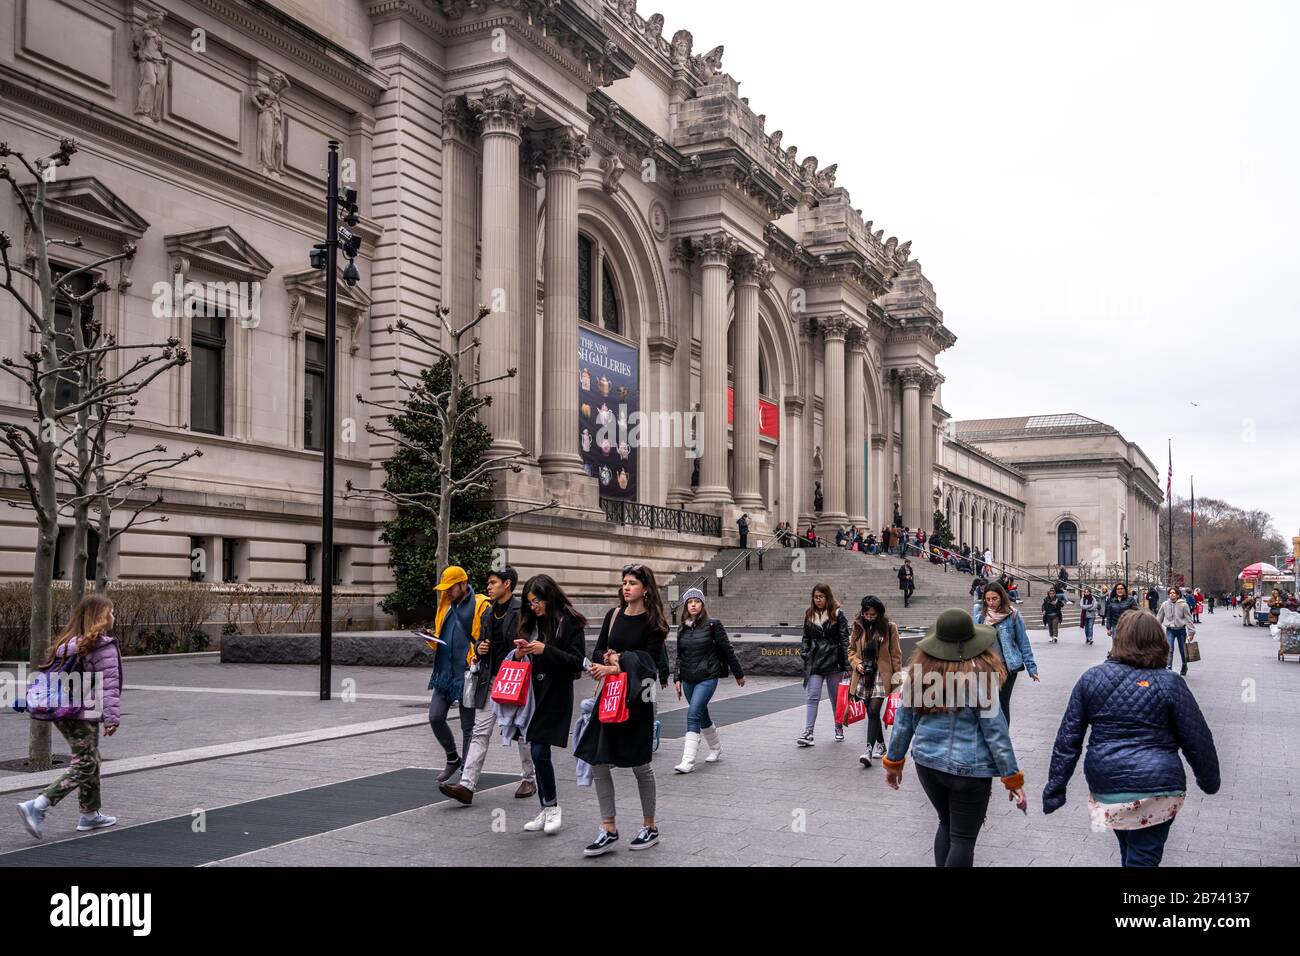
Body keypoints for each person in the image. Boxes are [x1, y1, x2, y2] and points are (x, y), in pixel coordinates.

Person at [1042, 610, 1219, 867]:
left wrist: (1055, 788)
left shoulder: (1091, 679)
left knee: (1132, 850)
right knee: (1142, 855)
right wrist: (1209, 780)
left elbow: (1067, 740)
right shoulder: (1169, 683)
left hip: (1108, 783)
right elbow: (1197, 739)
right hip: (1158, 786)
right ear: (1159, 641)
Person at [883, 608, 1026, 867]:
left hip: (927, 764)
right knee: (963, 838)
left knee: (946, 823)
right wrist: (1012, 778)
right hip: (969, 770)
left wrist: (894, 763)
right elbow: (996, 733)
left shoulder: (919, 675)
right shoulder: (980, 679)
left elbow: (903, 723)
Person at [575, 563, 669, 856]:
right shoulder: (613, 615)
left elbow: (649, 664)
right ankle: (608, 828)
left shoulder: (654, 622)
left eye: (632, 583)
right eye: (624, 582)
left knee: (640, 764)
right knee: (598, 760)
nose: (626, 587)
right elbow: (597, 650)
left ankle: (650, 826)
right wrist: (607, 659)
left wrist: (617, 663)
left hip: (638, 700)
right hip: (609, 695)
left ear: (646, 588)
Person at [16, 594, 123, 840]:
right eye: (110, 611)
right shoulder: (101, 646)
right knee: (85, 763)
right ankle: (38, 804)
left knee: (91, 759)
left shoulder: (68, 643)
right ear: (100, 616)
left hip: (61, 711)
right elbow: (108, 686)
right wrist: (112, 718)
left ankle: (90, 814)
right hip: (82, 711)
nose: (113, 615)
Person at [439, 567, 538, 805]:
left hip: (515, 680)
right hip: (491, 680)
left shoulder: (521, 612)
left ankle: (529, 779)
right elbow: (481, 641)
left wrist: (520, 651)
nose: (489, 587)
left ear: (507, 584)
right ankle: (467, 785)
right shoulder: (489, 612)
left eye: (493, 583)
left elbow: (530, 643)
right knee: (480, 731)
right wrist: (481, 649)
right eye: (489, 583)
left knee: (521, 730)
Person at [426, 566, 491, 785]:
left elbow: (484, 638)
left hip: (467, 674)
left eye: (450, 587)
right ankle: (453, 758)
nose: (446, 592)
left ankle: (466, 773)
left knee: (468, 726)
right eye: (444, 588)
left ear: (463, 583)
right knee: (435, 717)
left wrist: (476, 655)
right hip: (444, 673)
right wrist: (430, 638)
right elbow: (440, 638)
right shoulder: (445, 605)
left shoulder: (481, 605)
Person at [672, 587, 745, 773]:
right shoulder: (682, 628)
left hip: (707, 677)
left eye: (697, 601)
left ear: (702, 605)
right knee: (701, 713)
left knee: (693, 714)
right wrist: (677, 678)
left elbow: (727, 650)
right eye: (690, 602)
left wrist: (738, 673)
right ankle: (716, 747)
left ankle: (688, 761)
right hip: (688, 678)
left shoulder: (713, 625)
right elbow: (679, 656)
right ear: (686, 606)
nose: (693, 605)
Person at [974, 582, 1039, 727]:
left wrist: (1031, 668)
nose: (991, 602)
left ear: (1002, 597)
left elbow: (1023, 642)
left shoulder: (1013, 615)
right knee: (987, 706)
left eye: (994, 598)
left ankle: (1003, 736)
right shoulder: (980, 617)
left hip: (1007, 667)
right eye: (988, 599)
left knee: (1002, 703)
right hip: (986, 666)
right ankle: (991, 736)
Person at [848, 596, 903, 767]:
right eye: (866, 614)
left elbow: (896, 655)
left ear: (879, 613)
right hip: (863, 673)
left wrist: (897, 681)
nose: (869, 617)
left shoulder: (889, 627)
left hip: (881, 674)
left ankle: (868, 750)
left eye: (872, 615)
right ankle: (882, 745)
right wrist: (857, 664)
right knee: (871, 713)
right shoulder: (857, 626)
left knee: (873, 709)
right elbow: (851, 651)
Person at [797, 583, 850, 746]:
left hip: (834, 661)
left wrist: (847, 664)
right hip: (815, 661)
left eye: (821, 597)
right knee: (813, 696)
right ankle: (808, 732)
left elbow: (844, 639)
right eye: (815, 597)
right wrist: (805, 653)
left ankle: (838, 728)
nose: (818, 600)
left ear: (827, 597)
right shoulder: (809, 614)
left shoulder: (838, 613)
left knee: (835, 698)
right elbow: (805, 637)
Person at [1156, 586, 1193, 676]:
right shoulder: (1165, 604)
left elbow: (1188, 619)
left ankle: (1184, 665)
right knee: (1170, 649)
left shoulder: (1183, 605)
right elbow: (1159, 618)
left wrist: (1191, 633)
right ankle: (1169, 668)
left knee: (1182, 650)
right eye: (1170, 593)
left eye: (1174, 593)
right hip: (1170, 630)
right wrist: (1155, 630)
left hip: (1181, 630)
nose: (1172, 594)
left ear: (1177, 595)